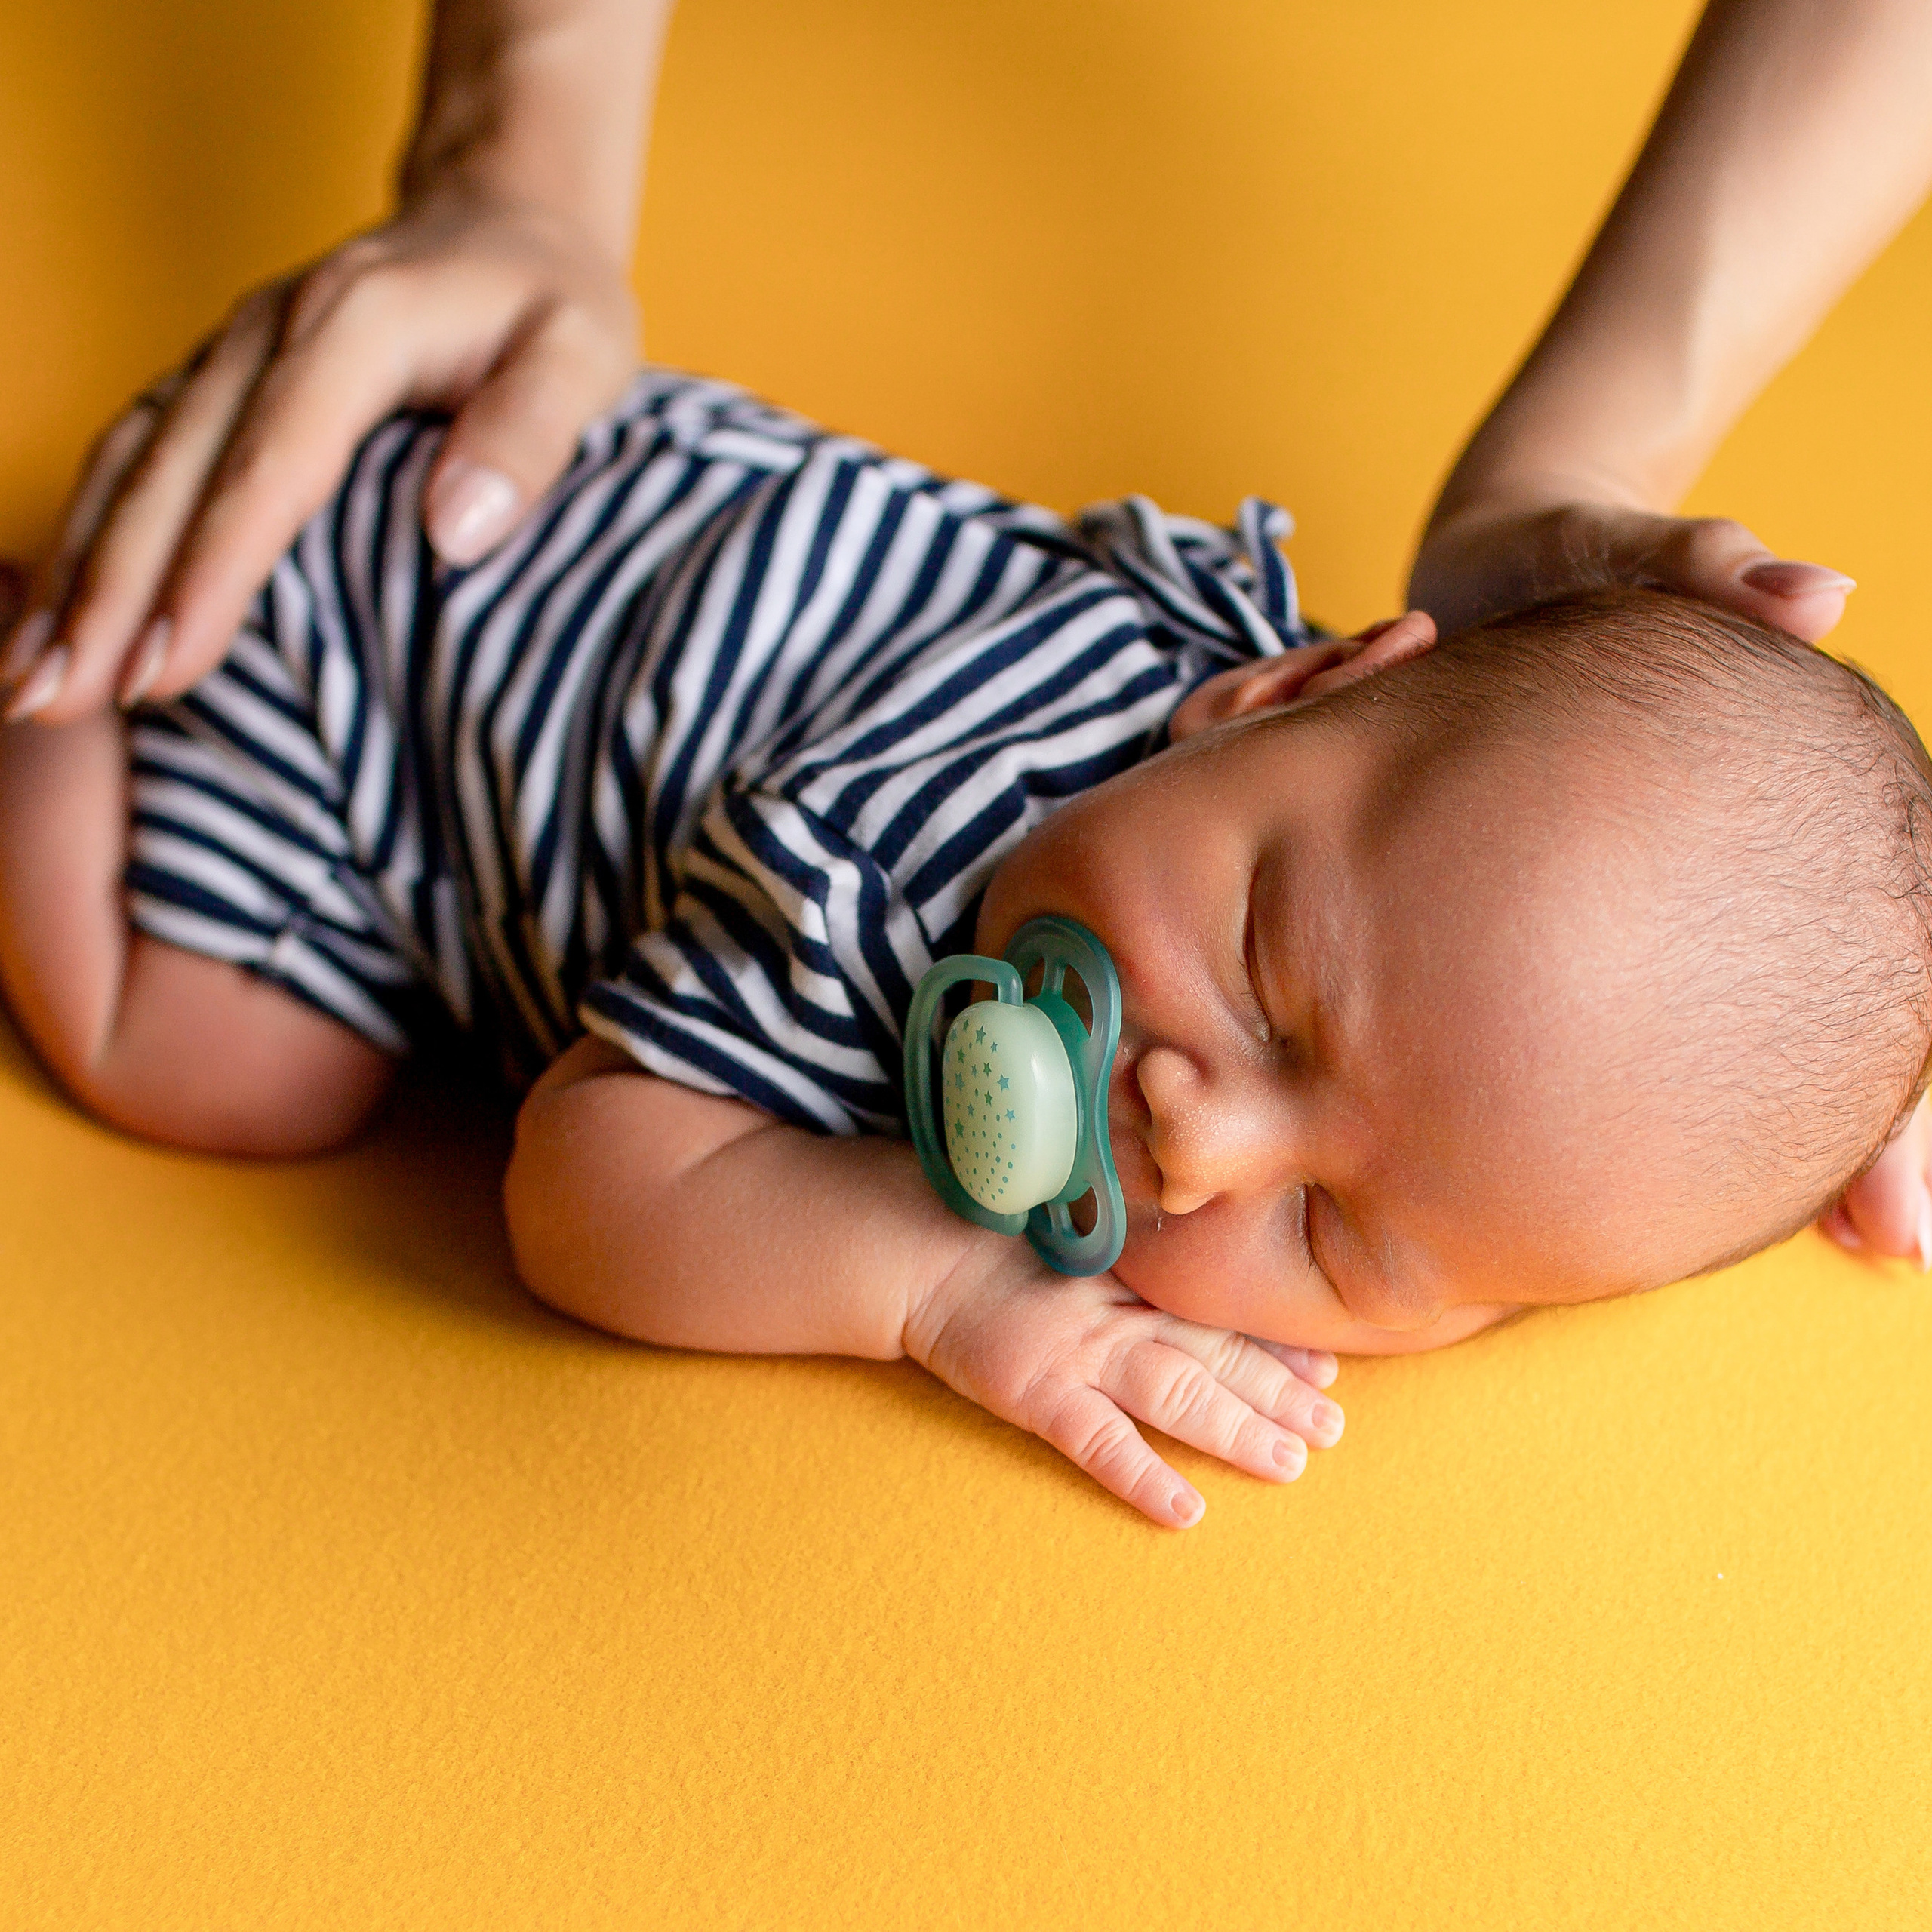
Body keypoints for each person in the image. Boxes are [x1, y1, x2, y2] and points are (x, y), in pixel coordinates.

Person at [0, 370, 1925, 1527]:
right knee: (224, 1067)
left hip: (618, 465)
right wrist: (933, 1287)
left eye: (1339, 1237)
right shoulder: (864, 884)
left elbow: (1536, 899)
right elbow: (582, 1179)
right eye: (1259, 976)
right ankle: (53, 668)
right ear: (1283, 682)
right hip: (356, 630)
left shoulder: (1315, 753)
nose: (1193, 1137)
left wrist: (1796, 1039)